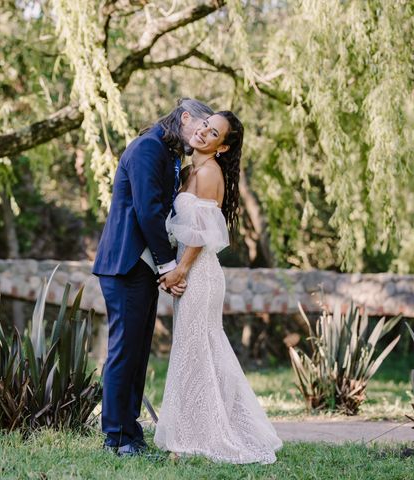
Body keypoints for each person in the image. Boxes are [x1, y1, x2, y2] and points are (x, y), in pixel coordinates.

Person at [154, 111, 283, 463]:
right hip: (189, 268)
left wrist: (180, 270)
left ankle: (194, 437)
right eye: (204, 126)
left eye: (213, 133)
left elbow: (203, 232)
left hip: (200, 273)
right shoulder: (190, 168)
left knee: (194, 351)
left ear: (222, 146)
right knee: (202, 350)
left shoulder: (210, 173)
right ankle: (206, 429)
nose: (202, 134)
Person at [93, 98, 214, 456]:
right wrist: (168, 267)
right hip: (126, 264)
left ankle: (131, 434)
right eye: (202, 127)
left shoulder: (170, 153)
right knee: (123, 352)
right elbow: (147, 212)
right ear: (186, 117)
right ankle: (115, 437)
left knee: (138, 353)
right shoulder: (148, 148)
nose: (202, 135)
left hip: (141, 267)